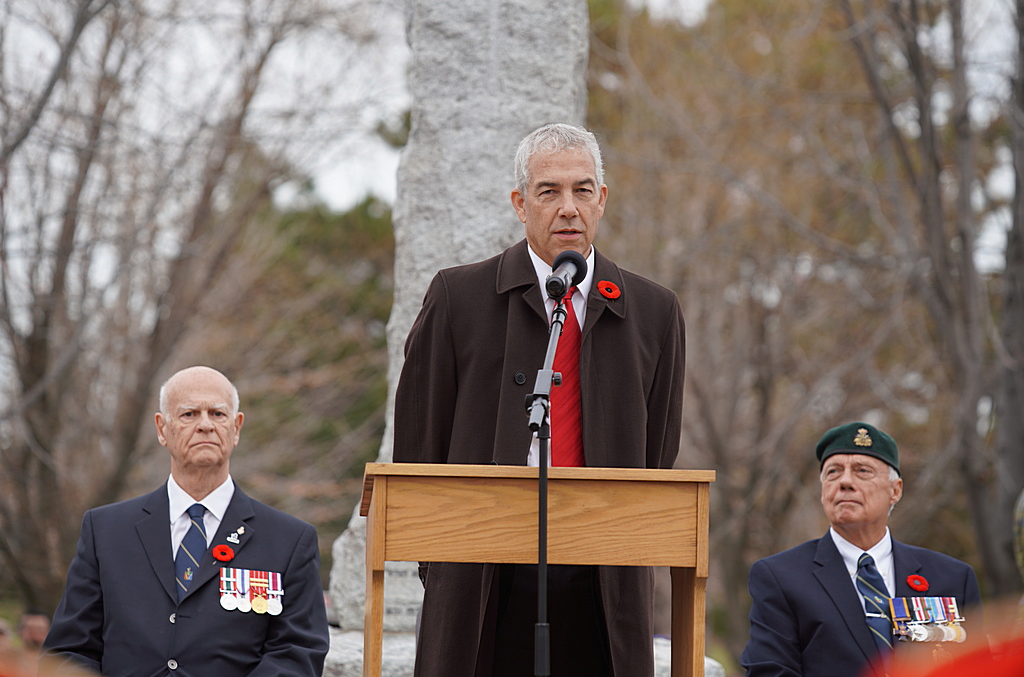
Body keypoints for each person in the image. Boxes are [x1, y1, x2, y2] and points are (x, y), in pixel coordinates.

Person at [393, 123, 685, 676]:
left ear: (602, 199)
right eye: (549, 191)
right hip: (481, 574)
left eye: (582, 190)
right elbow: (420, 444)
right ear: (520, 204)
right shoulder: (459, 297)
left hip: (603, 579)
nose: (568, 208)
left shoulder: (654, 311)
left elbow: (657, 455)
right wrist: (443, 564)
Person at [43, 366, 329, 676]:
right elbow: (69, 651)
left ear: (236, 428)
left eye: (217, 414)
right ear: (162, 429)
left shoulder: (289, 541)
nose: (205, 425)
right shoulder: (105, 532)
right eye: (189, 414)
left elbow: (295, 654)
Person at [741, 422, 982, 677]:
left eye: (862, 471)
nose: (845, 481)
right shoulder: (782, 578)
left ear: (895, 490)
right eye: (833, 472)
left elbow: (977, 668)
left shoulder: (952, 578)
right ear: (823, 490)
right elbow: (770, 672)